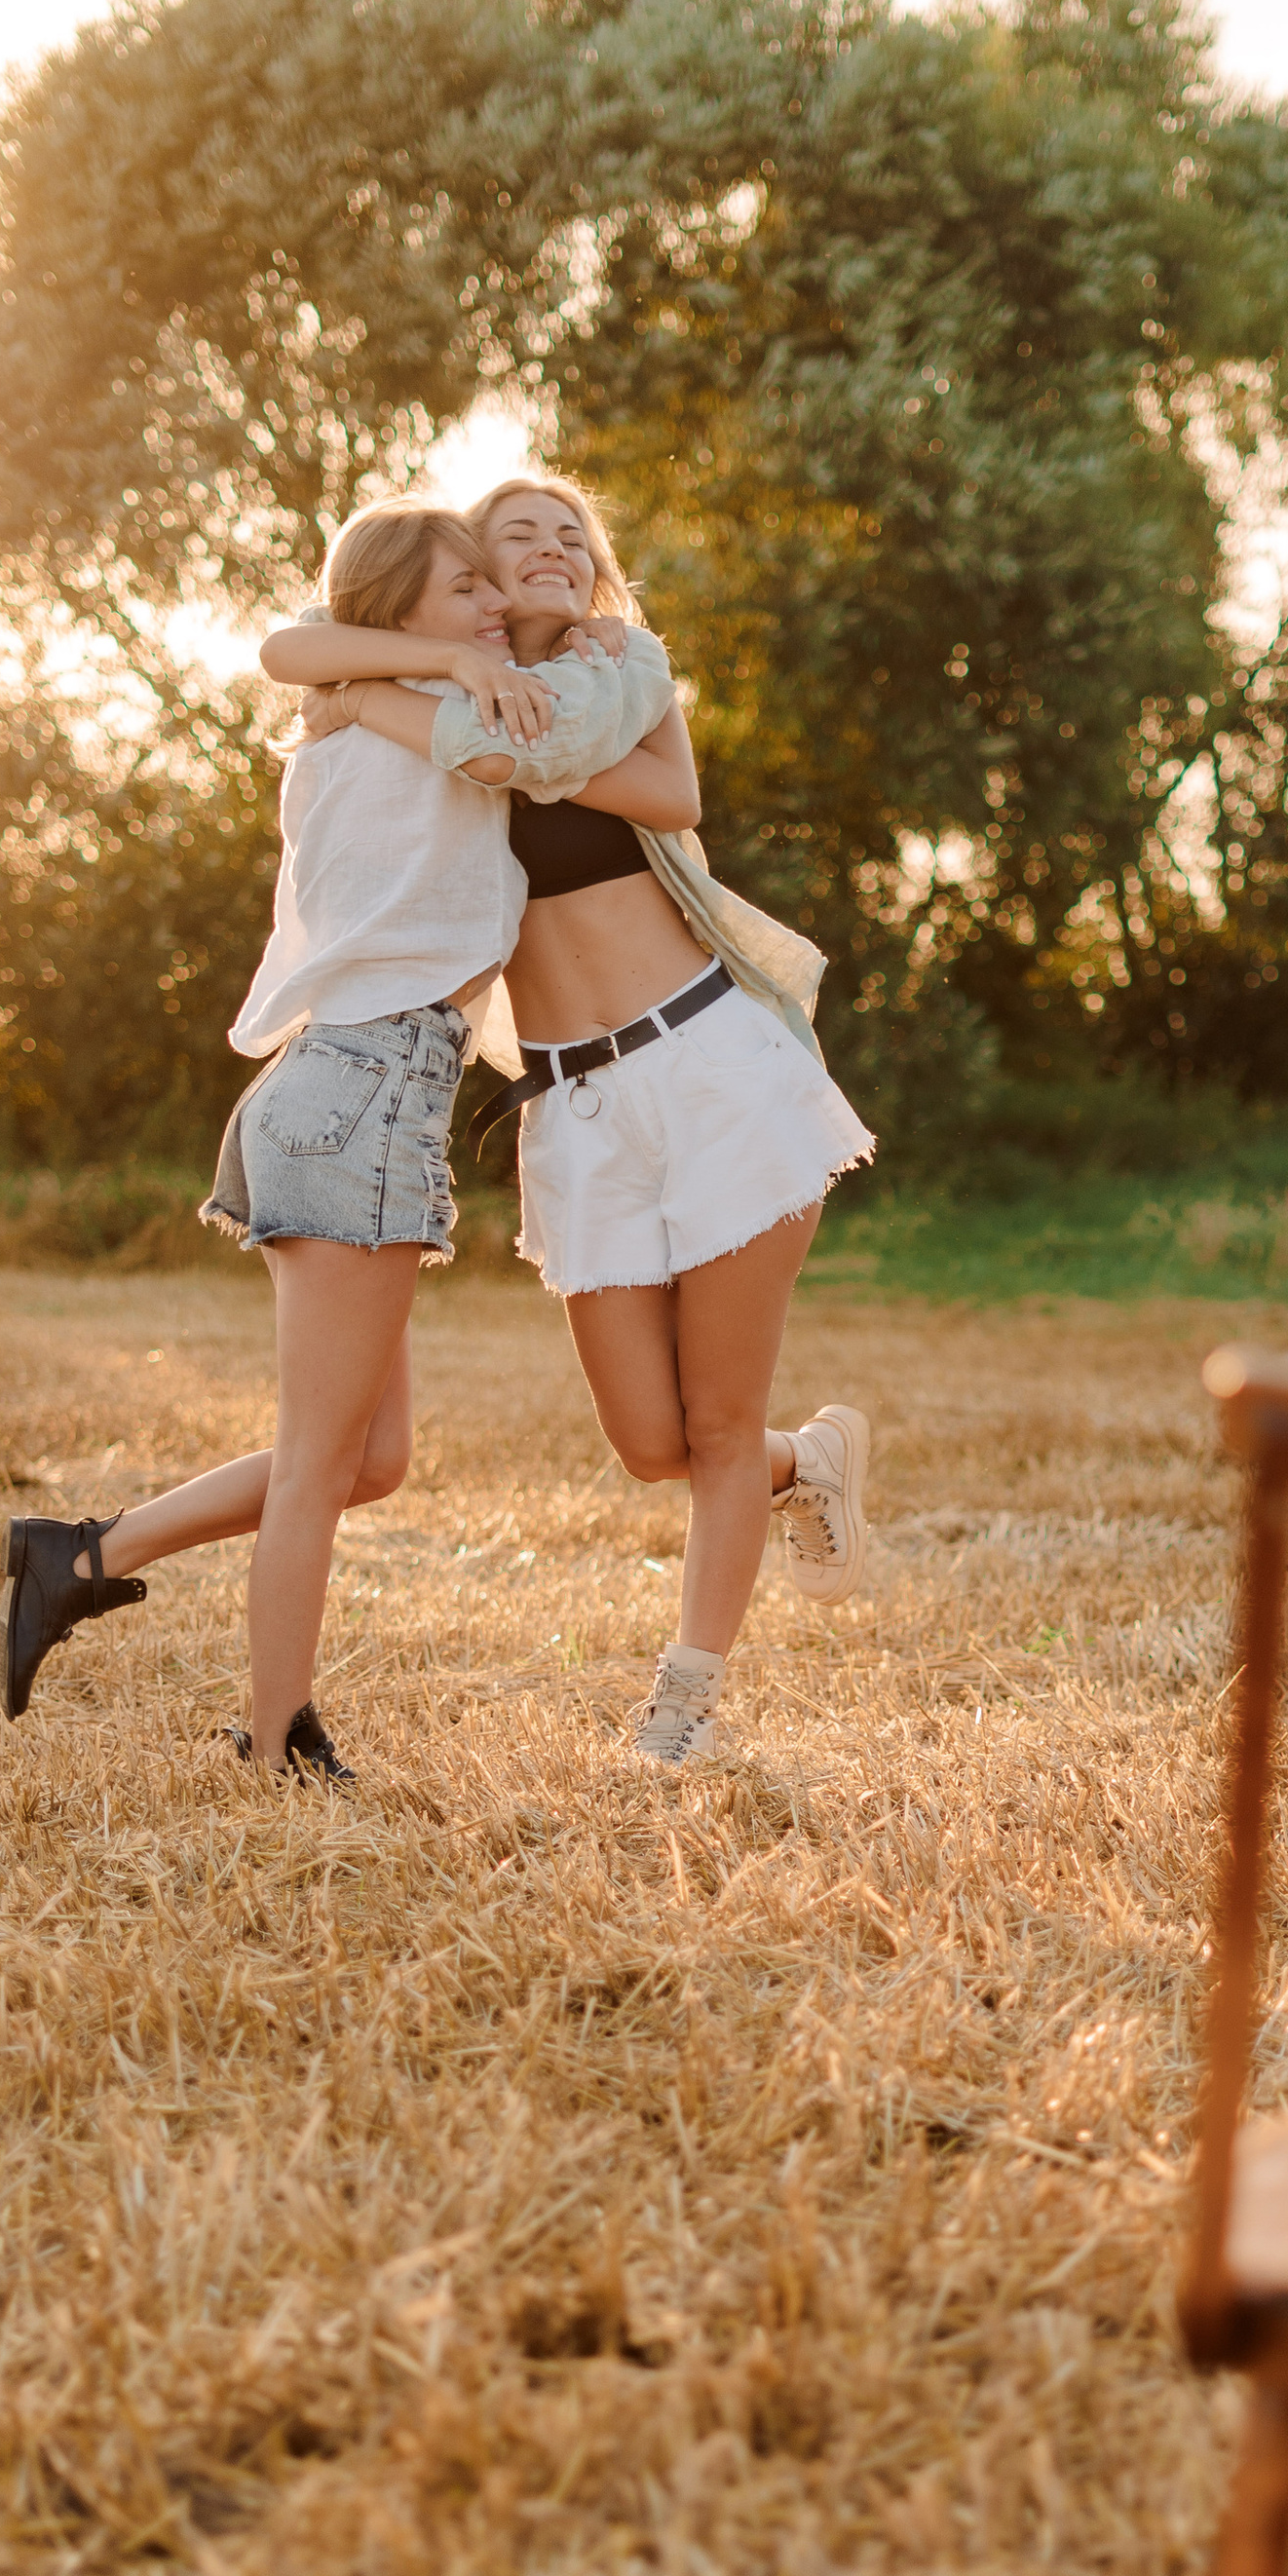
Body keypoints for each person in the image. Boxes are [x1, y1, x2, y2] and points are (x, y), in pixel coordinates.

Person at [267, 474, 877, 1771]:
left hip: (712, 1064)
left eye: (571, 539)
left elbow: (668, 800)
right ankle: (806, 1464)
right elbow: (292, 652)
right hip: (575, 1099)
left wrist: (399, 705)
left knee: (714, 1421)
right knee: (651, 1445)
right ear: (475, 585)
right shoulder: (448, 694)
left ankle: (684, 1709)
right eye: (511, 543)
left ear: (592, 573)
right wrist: (411, 680)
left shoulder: (620, 669)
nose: (545, 553)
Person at [0, 501, 545, 1775]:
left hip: (358, 1087)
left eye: (489, 590)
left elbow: (321, 658)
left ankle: (81, 1558)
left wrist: (455, 659)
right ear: (395, 606)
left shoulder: (374, 713)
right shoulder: (394, 716)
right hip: (362, 1086)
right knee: (319, 1465)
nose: (490, 607)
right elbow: (293, 646)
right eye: (464, 587)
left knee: (372, 1459)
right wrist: (456, 665)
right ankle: (274, 1739)